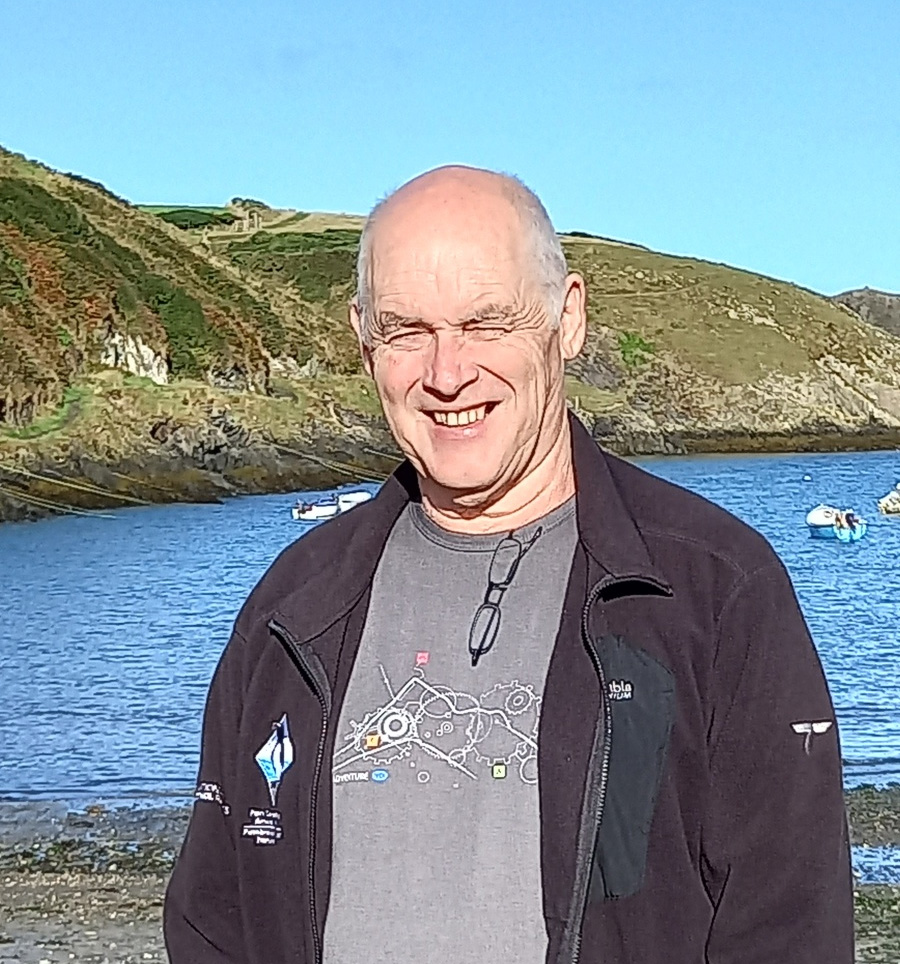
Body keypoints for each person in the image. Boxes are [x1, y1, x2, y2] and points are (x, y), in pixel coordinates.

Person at [164, 166, 854, 964]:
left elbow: (790, 927)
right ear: (363, 340)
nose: (447, 373)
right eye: (406, 330)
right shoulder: (290, 611)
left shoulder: (716, 593)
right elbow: (212, 922)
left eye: (486, 323)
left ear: (568, 321)